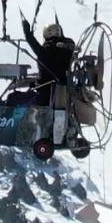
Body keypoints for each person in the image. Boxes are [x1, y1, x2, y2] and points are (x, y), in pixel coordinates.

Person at [21, 16, 77, 144]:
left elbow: (32, 43)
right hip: (63, 94)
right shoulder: (69, 49)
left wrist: (27, 32)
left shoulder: (46, 50)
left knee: (15, 99)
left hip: (44, 94)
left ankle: (23, 135)